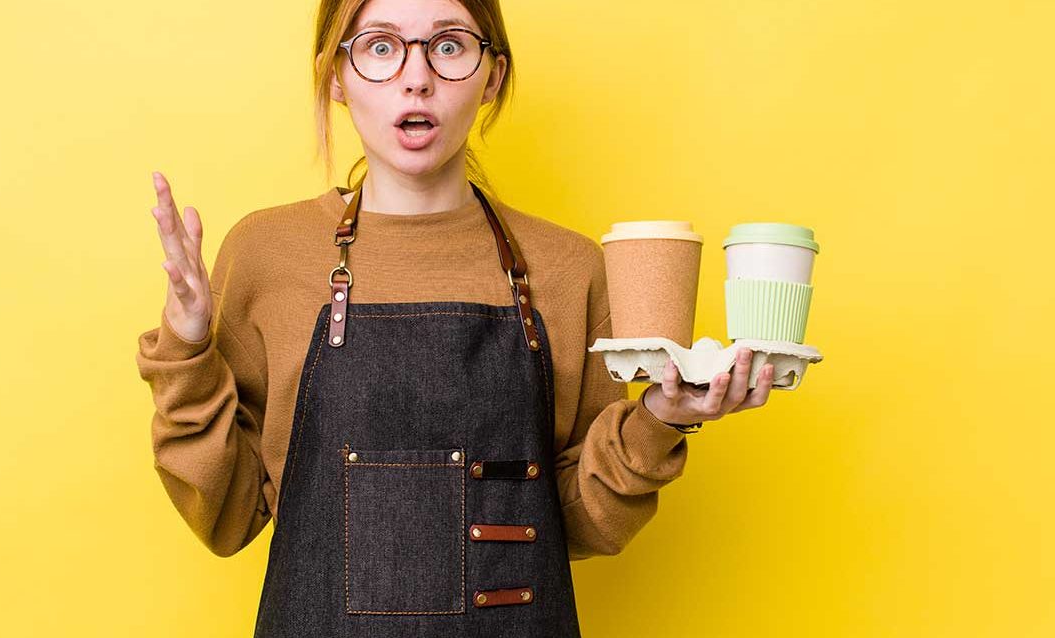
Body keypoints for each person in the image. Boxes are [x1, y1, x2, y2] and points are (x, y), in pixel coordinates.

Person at [135, 0, 776, 635]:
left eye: (448, 45)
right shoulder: (265, 255)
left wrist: (661, 419)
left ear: (492, 74)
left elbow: (577, 525)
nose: (417, 77)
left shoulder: (569, 269)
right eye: (380, 47)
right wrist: (187, 349)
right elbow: (228, 516)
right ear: (336, 73)